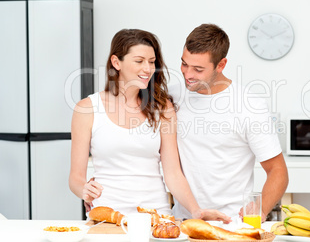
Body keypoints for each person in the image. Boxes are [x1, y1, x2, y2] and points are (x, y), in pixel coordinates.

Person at [69, 28, 231, 222]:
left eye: (152, 62)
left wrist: (196, 211)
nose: (147, 69)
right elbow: (75, 178)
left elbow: (173, 173)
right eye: (139, 61)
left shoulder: (162, 108)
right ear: (116, 62)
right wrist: (84, 190)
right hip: (106, 215)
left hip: (155, 215)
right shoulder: (86, 109)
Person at [170, 23, 289, 220]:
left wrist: (260, 209)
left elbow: (277, 171)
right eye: (184, 64)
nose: (188, 74)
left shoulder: (249, 105)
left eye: (198, 69)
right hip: (184, 222)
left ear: (221, 65)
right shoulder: (171, 97)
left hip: (232, 223)